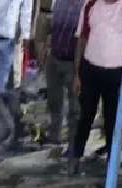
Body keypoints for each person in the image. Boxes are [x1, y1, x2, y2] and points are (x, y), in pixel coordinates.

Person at [67, 0, 122, 175]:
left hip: (117, 72)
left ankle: (113, 164)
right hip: (90, 69)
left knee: (113, 119)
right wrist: (77, 74)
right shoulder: (90, 5)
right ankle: (76, 157)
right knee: (85, 115)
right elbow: (81, 39)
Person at [40, 0, 84, 145]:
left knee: (74, 106)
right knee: (54, 101)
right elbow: (51, 26)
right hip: (54, 57)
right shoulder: (58, 2)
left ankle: (73, 143)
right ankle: (54, 136)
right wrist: (45, 46)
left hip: (73, 63)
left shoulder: (86, 5)